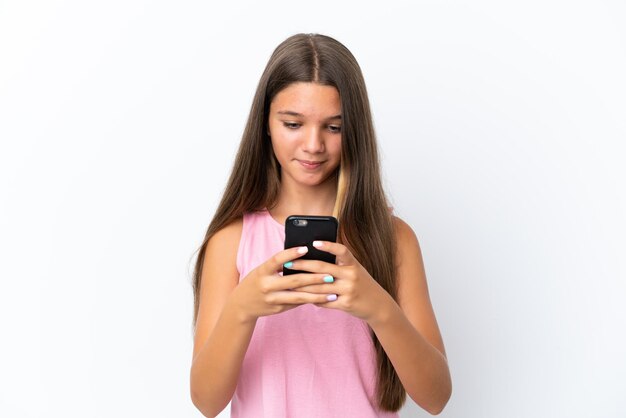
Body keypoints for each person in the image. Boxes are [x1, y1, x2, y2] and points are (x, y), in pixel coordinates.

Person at [189, 33, 451, 418]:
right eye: (293, 123)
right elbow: (206, 402)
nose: (313, 145)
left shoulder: (394, 239)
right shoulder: (232, 241)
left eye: (333, 127)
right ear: (265, 123)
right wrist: (241, 309)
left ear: (355, 130)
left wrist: (378, 307)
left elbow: (436, 397)